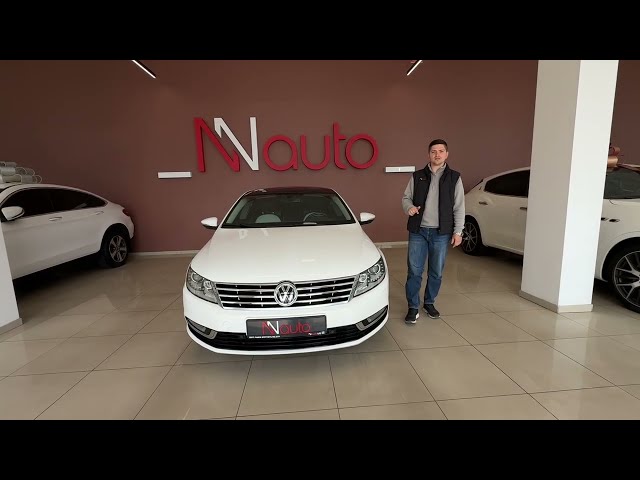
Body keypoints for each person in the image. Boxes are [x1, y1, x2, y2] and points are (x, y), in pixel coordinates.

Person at [402, 138, 465, 323]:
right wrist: (409, 208)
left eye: (441, 151)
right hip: (418, 231)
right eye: (433, 151)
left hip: (441, 233)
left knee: (436, 271)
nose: (437, 154)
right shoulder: (417, 176)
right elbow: (406, 198)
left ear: (447, 154)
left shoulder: (454, 178)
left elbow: (459, 207)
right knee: (414, 271)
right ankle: (413, 306)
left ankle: (429, 303)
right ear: (428, 154)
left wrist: (458, 231)